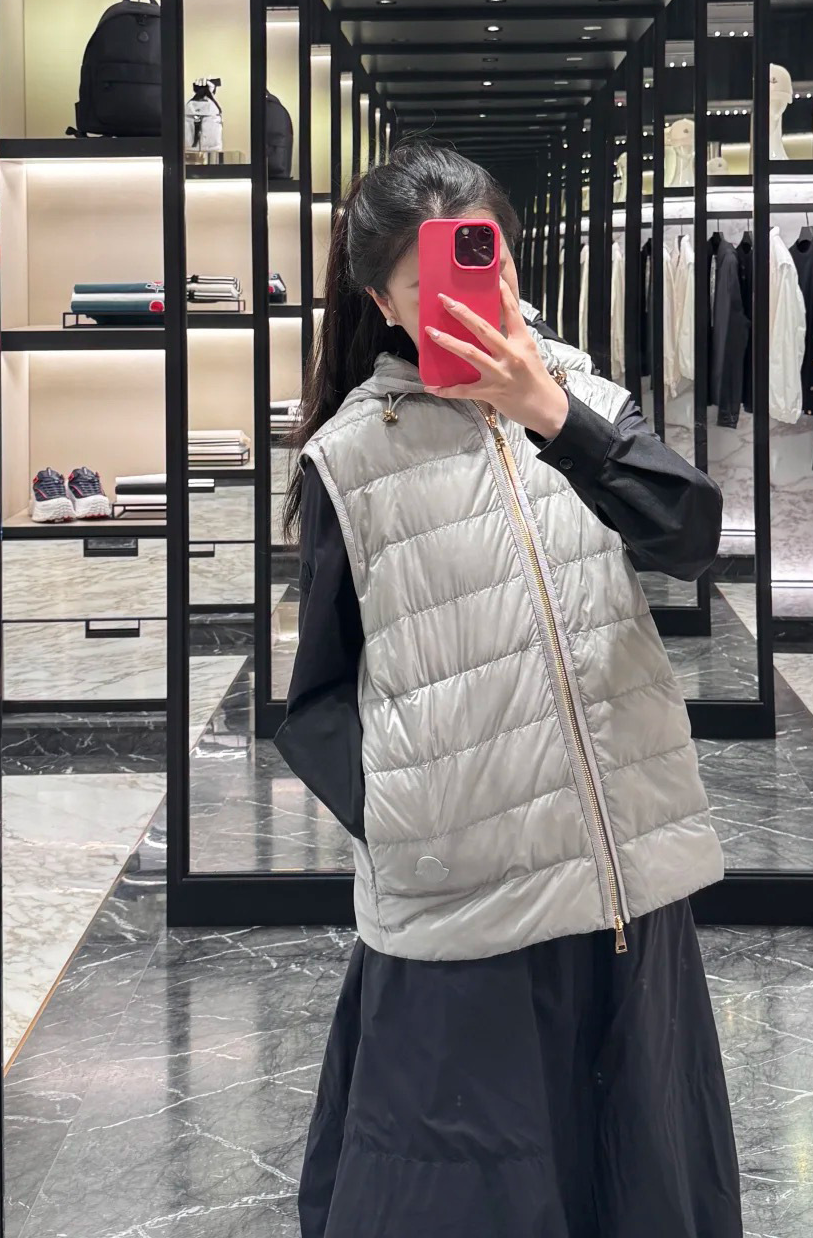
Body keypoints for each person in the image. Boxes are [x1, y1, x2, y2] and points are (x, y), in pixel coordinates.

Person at [275, 141, 742, 1238]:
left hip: (623, 875)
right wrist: (410, 817)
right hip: (462, 898)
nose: (467, 304)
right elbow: (316, 700)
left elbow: (692, 539)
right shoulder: (352, 458)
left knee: (634, 1174)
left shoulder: (590, 400)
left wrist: (557, 417)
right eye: (425, 284)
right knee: (465, 1188)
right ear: (384, 303)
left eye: (488, 268)